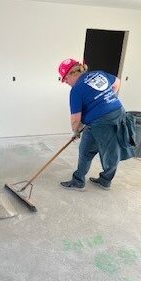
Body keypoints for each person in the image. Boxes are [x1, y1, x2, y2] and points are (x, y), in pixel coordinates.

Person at [58, 58, 136, 191]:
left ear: (72, 73)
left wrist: (76, 131)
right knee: (86, 149)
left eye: (65, 79)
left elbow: (75, 120)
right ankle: (79, 180)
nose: (65, 82)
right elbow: (117, 82)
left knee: (110, 153)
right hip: (109, 115)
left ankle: (104, 181)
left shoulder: (76, 90)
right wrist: (108, 99)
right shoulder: (99, 74)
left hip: (105, 121)